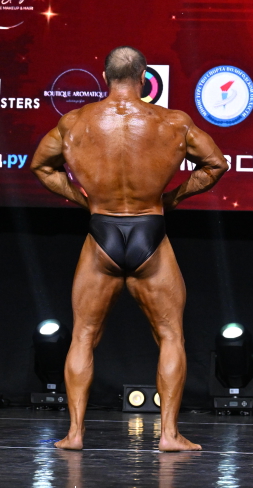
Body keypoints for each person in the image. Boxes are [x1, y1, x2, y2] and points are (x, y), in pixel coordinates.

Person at [30, 46, 227, 451]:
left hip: (100, 231)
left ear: (105, 77)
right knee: (170, 335)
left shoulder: (75, 122)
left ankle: (75, 433)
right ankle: (169, 434)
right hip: (149, 230)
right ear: (144, 77)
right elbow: (216, 164)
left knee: (83, 335)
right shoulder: (172, 122)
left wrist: (84, 201)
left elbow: (40, 166)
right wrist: (172, 199)